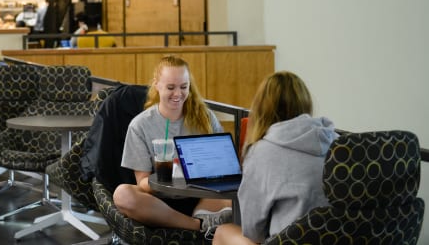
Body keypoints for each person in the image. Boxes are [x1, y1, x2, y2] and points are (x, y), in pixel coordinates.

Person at [212, 71, 338, 245]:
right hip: (338, 238)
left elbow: (253, 230)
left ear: (263, 107)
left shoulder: (261, 152)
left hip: (287, 241)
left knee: (222, 232)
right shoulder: (338, 143)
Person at [113, 56, 232, 233]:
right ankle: (197, 225)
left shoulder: (205, 118)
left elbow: (224, 169)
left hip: (201, 196)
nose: (178, 94)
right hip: (158, 201)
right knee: (122, 194)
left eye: (184, 87)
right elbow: (143, 182)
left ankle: (204, 218)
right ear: (157, 85)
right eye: (170, 87)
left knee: (240, 193)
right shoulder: (140, 125)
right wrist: (169, 177)